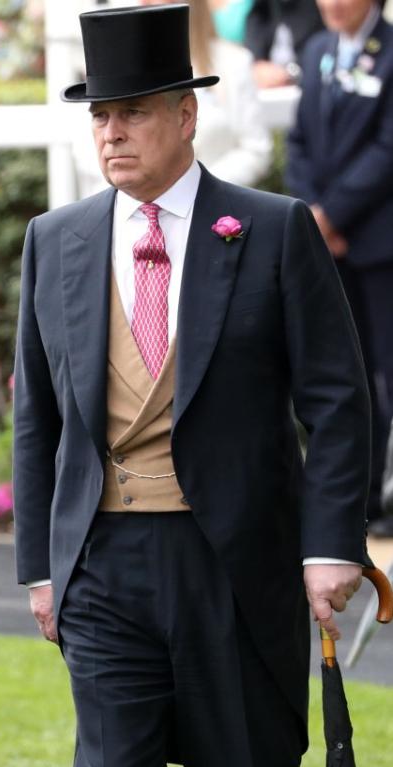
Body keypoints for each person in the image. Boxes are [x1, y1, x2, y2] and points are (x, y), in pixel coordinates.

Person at [13, 3, 371, 767]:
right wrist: (40, 564)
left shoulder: (269, 230)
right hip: (105, 572)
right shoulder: (57, 242)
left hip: (238, 571)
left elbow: (341, 403)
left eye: (130, 114)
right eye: (98, 116)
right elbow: (38, 417)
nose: (111, 135)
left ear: (184, 116)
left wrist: (330, 549)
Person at [286, 0, 393, 534]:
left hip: (379, 242)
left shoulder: (392, 51)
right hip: (329, 242)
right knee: (349, 375)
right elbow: (299, 140)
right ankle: (365, 502)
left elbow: (388, 148)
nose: (331, 4)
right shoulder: (317, 50)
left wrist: (337, 213)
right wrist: (314, 215)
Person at [75, 0, 272, 195]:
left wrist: (193, 187)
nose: (156, 4)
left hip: (218, 205)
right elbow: (86, 151)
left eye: (133, 112)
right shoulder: (111, 68)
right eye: (100, 115)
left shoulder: (231, 62)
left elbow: (255, 148)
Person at [244, 0, 324, 85]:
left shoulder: (317, 9)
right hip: (269, 81)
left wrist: (290, 74)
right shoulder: (262, 9)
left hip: (304, 78)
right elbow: (255, 21)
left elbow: (320, 48)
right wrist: (258, 62)